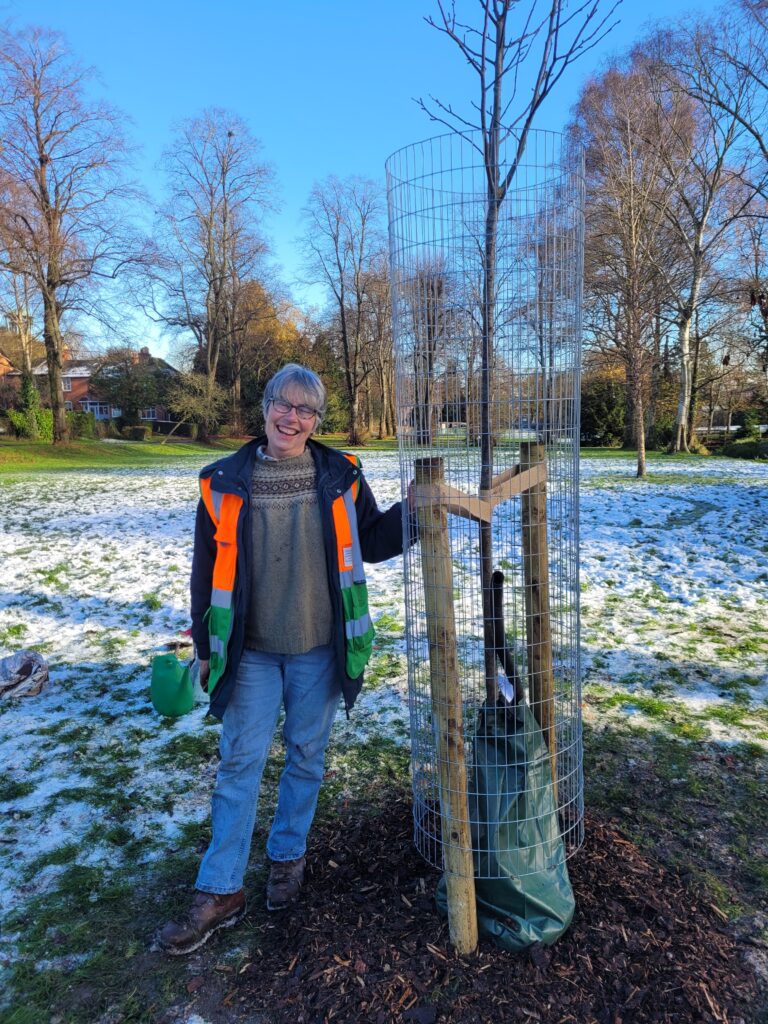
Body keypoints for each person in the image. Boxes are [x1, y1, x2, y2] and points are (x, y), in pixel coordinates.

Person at [159, 363, 411, 956]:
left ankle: (287, 857)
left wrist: (419, 508)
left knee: (306, 756)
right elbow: (205, 571)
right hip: (250, 652)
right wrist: (203, 640)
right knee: (238, 764)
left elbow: (372, 541)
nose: (292, 419)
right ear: (265, 407)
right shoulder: (222, 481)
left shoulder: (340, 474)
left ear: (316, 420)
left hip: (320, 648)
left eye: (306, 410)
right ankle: (220, 888)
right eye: (283, 405)